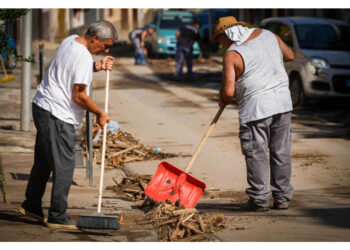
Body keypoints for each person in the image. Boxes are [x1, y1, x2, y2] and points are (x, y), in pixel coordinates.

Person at [18, 20, 118, 229]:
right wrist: (99, 113)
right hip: (57, 114)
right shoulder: (83, 56)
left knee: (44, 161)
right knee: (64, 166)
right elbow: (79, 96)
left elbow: (70, 70)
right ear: (94, 38)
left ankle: (31, 205)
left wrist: (97, 66)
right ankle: (57, 216)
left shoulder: (71, 41)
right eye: (105, 45)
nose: (106, 50)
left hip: (42, 106)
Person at [211, 16, 295, 212]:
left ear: (227, 34)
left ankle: (259, 199)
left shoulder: (232, 54)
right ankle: (282, 198)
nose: (221, 45)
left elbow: (229, 92)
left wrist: (223, 99)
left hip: (257, 109)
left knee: (256, 154)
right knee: (281, 151)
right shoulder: (269, 35)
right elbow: (289, 55)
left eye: (220, 39)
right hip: (282, 103)